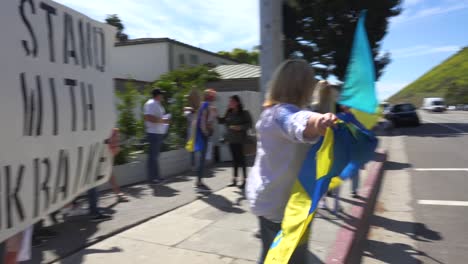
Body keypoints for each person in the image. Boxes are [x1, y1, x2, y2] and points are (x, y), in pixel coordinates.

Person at [246, 60, 337, 263]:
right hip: (283, 208)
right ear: (303, 86)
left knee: (272, 254)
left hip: (272, 201)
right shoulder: (281, 114)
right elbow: (296, 122)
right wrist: (318, 122)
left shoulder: (272, 112)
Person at [218, 95, 252, 189]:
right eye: (229, 102)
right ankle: (234, 180)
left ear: (237, 102)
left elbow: (249, 124)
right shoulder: (229, 112)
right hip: (231, 140)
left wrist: (240, 127)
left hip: (241, 140)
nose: (230, 103)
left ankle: (245, 180)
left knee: (242, 160)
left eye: (231, 101)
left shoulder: (244, 112)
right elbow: (222, 121)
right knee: (235, 160)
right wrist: (215, 114)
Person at [144, 88, 169, 185]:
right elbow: (148, 117)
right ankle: (153, 179)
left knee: (155, 156)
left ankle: (157, 177)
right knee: (153, 157)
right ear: (157, 95)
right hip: (153, 133)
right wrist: (163, 121)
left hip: (158, 133)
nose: (163, 96)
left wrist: (164, 120)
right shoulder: (151, 103)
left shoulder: (157, 104)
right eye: (161, 94)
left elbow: (157, 117)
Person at [195, 89, 217, 191]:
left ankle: (199, 181)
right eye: (212, 95)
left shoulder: (207, 105)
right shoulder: (205, 105)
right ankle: (199, 182)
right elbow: (202, 121)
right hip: (203, 135)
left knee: (202, 158)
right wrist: (206, 132)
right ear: (208, 96)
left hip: (203, 134)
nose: (214, 96)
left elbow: (209, 119)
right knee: (202, 159)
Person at [108, 128, 129, 202]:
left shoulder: (113, 130)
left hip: (105, 155)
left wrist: (115, 146)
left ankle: (118, 193)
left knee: (110, 172)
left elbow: (115, 150)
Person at [184, 88, 201, 171]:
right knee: (192, 149)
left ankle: (196, 164)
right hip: (191, 130)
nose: (189, 100)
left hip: (196, 130)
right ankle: (193, 165)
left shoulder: (198, 108)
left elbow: (197, 111)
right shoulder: (188, 109)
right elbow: (187, 112)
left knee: (196, 148)